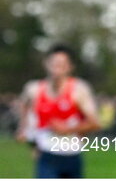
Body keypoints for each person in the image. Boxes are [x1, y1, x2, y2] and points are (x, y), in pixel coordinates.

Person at [16, 44, 101, 178]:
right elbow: (24, 105)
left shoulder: (79, 90)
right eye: (54, 63)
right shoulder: (34, 89)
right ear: (46, 63)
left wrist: (67, 129)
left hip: (72, 155)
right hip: (47, 155)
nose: (57, 68)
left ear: (70, 67)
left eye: (62, 64)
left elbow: (95, 123)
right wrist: (24, 130)